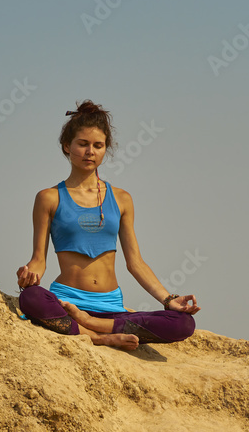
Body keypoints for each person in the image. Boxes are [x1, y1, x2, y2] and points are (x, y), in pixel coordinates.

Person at [17, 99, 200, 352]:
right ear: (67, 146)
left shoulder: (122, 199)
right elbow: (39, 260)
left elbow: (135, 262)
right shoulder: (49, 198)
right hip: (67, 304)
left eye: (97, 145)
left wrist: (169, 300)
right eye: (82, 144)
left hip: (111, 309)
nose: (89, 151)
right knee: (31, 298)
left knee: (183, 324)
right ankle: (99, 337)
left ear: (105, 150)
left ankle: (89, 324)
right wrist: (29, 276)